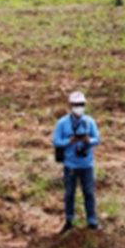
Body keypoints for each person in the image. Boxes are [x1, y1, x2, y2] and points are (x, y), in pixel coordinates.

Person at [52, 91, 101, 232]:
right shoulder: (62, 123)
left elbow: (97, 139)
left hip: (86, 164)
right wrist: (69, 141)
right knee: (69, 194)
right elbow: (56, 141)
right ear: (70, 105)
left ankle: (92, 221)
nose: (79, 107)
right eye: (76, 105)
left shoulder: (89, 122)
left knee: (89, 193)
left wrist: (88, 141)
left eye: (81, 105)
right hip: (70, 165)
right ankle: (69, 220)